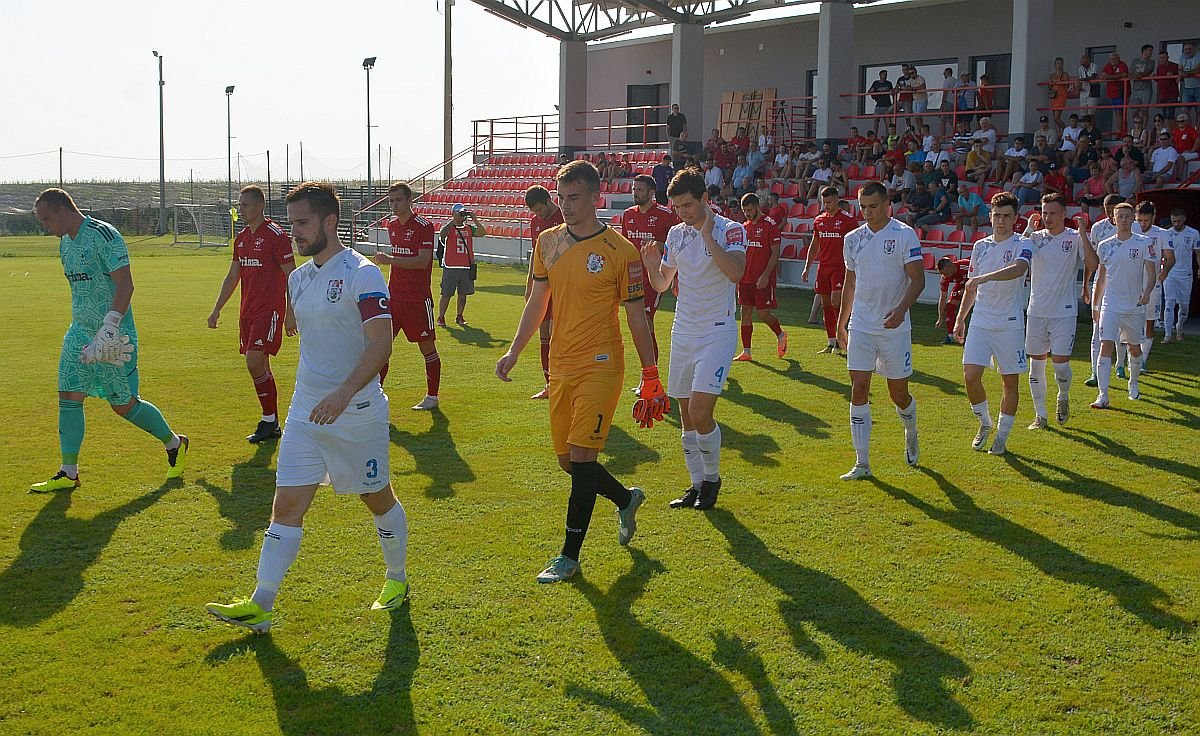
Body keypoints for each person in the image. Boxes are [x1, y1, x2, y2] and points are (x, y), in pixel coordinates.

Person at [205, 182, 408, 632]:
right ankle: (261, 604)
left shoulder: (363, 274)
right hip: (305, 413)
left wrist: (344, 392)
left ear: (329, 222)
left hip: (356, 414)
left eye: (302, 223)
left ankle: (396, 577)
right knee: (286, 507)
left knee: (377, 499)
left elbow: (381, 344)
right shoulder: (297, 279)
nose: (294, 231)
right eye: (291, 222)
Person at [496, 161, 661, 583]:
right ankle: (625, 499)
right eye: (561, 198)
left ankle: (568, 557)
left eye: (573, 198)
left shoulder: (621, 252)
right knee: (569, 462)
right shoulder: (547, 242)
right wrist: (515, 350)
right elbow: (537, 301)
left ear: (595, 197)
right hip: (561, 365)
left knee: (584, 456)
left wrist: (650, 374)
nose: (566, 206)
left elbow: (637, 317)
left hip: (602, 365)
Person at [30, 189, 189, 493]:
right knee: (68, 394)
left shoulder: (104, 235)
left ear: (63, 210)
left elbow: (125, 284)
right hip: (79, 332)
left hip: (115, 335)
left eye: (47, 219)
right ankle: (69, 472)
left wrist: (110, 325)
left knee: (123, 405)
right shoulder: (65, 243)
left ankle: (174, 443)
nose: (45, 226)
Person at [641, 167, 746, 509]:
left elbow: (735, 272)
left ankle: (712, 480)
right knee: (686, 417)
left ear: (704, 198)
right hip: (683, 331)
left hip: (717, 331)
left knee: (701, 412)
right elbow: (662, 283)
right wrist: (652, 265)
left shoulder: (731, 230)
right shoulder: (675, 234)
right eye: (677, 207)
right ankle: (696, 484)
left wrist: (708, 235)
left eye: (687, 204)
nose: (682, 212)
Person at [836, 181, 923, 480]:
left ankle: (910, 430)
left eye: (873, 206)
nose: (868, 212)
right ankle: (862, 463)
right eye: (863, 207)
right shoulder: (852, 239)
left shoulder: (904, 234)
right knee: (859, 388)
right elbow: (850, 282)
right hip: (861, 325)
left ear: (887, 205)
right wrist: (842, 322)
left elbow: (918, 280)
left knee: (898, 394)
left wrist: (900, 310)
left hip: (893, 328)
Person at [208, 184, 296, 442]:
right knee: (261, 365)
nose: (241, 209)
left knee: (254, 361)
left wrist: (291, 313)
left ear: (260, 206)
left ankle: (269, 420)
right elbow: (233, 276)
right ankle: (272, 423)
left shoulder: (276, 236)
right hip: (247, 311)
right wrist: (217, 308)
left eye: (245, 205)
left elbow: (292, 276)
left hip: (269, 312)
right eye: (240, 205)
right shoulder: (242, 238)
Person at [952, 192, 1034, 456]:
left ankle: (1002, 437)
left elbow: (1019, 269)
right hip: (980, 321)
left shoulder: (1023, 242)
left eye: (1006, 216)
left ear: (1015, 218)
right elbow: (971, 286)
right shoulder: (980, 246)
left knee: (1009, 382)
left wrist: (984, 278)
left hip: (1009, 323)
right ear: (990, 217)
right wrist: (960, 318)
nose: (1001, 221)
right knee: (970, 376)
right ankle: (985, 422)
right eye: (997, 215)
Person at [1022, 193, 1098, 429]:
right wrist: (1027, 229)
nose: (1047, 217)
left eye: (1053, 213)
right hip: (1036, 311)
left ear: (1064, 214)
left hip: (1064, 313)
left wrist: (1083, 233)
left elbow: (1093, 264)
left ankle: (1063, 396)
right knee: (1035, 366)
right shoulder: (1035, 238)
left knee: (1061, 366)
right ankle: (1040, 415)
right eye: (1044, 213)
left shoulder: (1074, 238)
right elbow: (1015, 259)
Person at [372, 182, 441, 411]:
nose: (394, 205)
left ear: (410, 200)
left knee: (427, 348)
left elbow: (422, 261)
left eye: (398, 200)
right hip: (394, 299)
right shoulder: (391, 226)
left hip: (417, 299)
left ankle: (432, 397)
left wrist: (390, 260)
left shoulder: (423, 226)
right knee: (380, 347)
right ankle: (374, 396)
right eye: (391, 201)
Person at [1090, 203, 1156, 408]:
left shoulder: (1143, 243)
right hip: (1111, 305)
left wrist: (1147, 292)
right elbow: (1101, 278)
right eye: (1120, 216)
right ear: (1114, 219)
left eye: (1128, 216)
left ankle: (1133, 383)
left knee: (1134, 348)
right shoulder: (1105, 245)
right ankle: (1103, 395)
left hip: (1134, 306)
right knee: (1106, 345)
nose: (1124, 220)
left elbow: (1151, 273)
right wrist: (1095, 305)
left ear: (1133, 218)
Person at [622, 174, 682, 370]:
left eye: (639, 190)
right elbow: (625, 247)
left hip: (654, 276)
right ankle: (648, 372)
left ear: (651, 193)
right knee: (637, 323)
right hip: (632, 276)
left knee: (646, 321)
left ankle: (650, 373)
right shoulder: (628, 214)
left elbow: (677, 246)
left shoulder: (666, 215)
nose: (635, 193)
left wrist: (660, 245)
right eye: (634, 189)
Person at [804, 186, 858, 356]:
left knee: (836, 301)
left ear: (836, 200)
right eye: (824, 202)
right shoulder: (819, 220)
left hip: (841, 267)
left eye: (829, 202)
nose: (826, 205)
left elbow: (857, 244)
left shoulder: (848, 220)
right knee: (825, 304)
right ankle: (831, 342)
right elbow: (815, 245)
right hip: (823, 267)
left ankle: (842, 339)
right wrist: (807, 267)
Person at [733, 193, 786, 362]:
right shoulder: (744, 227)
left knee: (763, 314)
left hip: (762, 279)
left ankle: (780, 334)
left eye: (749, 210)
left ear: (757, 206)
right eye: (744, 211)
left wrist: (765, 275)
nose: (747, 214)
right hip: (745, 278)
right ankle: (746, 351)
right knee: (745, 311)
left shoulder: (770, 225)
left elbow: (775, 252)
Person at [524, 185, 565, 399]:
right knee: (543, 332)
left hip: (564, 284)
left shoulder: (565, 217)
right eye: (535, 212)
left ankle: (564, 383)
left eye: (540, 210)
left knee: (558, 334)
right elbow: (536, 254)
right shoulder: (535, 222)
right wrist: (529, 283)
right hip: (543, 284)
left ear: (549, 201)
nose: (538, 215)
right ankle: (549, 384)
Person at [1084, 195, 1122, 388]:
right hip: (1101, 282)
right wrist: (1085, 284)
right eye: (1107, 210)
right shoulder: (1098, 228)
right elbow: (1091, 259)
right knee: (1097, 329)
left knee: (1122, 331)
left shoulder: (1132, 227)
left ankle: (1121, 364)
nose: (1110, 214)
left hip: (1124, 286)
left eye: (1113, 210)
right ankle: (1095, 371)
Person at [1132, 202, 1174, 374]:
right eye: (1139, 220)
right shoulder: (1130, 231)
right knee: (1130, 323)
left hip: (1152, 284)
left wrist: (1164, 271)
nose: (1142, 224)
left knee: (1148, 324)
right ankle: (1127, 359)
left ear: (1153, 217)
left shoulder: (1162, 234)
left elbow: (1170, 258)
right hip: (1131, 284)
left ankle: (1143, 360)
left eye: (1146, 220)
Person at [436, 205, 485, 327]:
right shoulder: (449, 228)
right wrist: (453, 221)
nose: (461, 217)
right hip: (451, 267)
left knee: (463, 294)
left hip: (466, 267)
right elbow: (442, 234)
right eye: (459, 214)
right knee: (446, 294)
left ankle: (459, 316)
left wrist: (475, 219)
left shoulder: (469, 228)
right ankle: (441, 317)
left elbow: (482, 232)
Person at [1163, 209, 1199, 342]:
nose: (1176, 224)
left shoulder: (1193, 233)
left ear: (1184, 219)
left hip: (1186, 274)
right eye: (1174, 221)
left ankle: (1180, 326)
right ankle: (1167, 334)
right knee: (1169, 302)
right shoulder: (1167, 234)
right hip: (1170, 273)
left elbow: (1198, 252)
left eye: (1178, 221)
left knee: (1184, 306)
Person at [937, 255, 970, 345]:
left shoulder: (965, 265)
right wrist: (940, 317)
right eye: (943, 274)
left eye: (946, 273)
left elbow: (979, 276)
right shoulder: (944, 278)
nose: (945, 276)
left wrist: (965, 289)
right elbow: (943, 297)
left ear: (951, 266)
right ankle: (951, 336)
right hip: (961, 285)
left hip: (975, 283)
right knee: (950, 306)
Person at [1048, 58, 1072, 134]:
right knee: (1054, 118)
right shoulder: (1052, 75)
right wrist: (1051, 82)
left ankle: (1066, 130)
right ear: (1055, 65)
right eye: (1058, 63)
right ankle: (1059, 134)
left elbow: (1067, 85)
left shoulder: (1065, 74)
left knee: (1056, 118)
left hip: (1061, 96)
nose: (1059, 65)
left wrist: (1059, 82)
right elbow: (1049, 87)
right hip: (1054, 96)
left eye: (1061, 63)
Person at [1156, 50, 1180, 121]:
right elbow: (1159, 80)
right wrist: (1153, 76)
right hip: (1162, 95)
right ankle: (1169, 128)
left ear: (1168, 57)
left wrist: (1174, 75)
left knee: (1170, 114)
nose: (1161, 59)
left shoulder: (1174, 66)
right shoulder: (1159, 67)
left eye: (1163, 57)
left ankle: (1174, 128)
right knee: (1165, 115)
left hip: (1172, 94)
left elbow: (1180, 77)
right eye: (1160, 58)